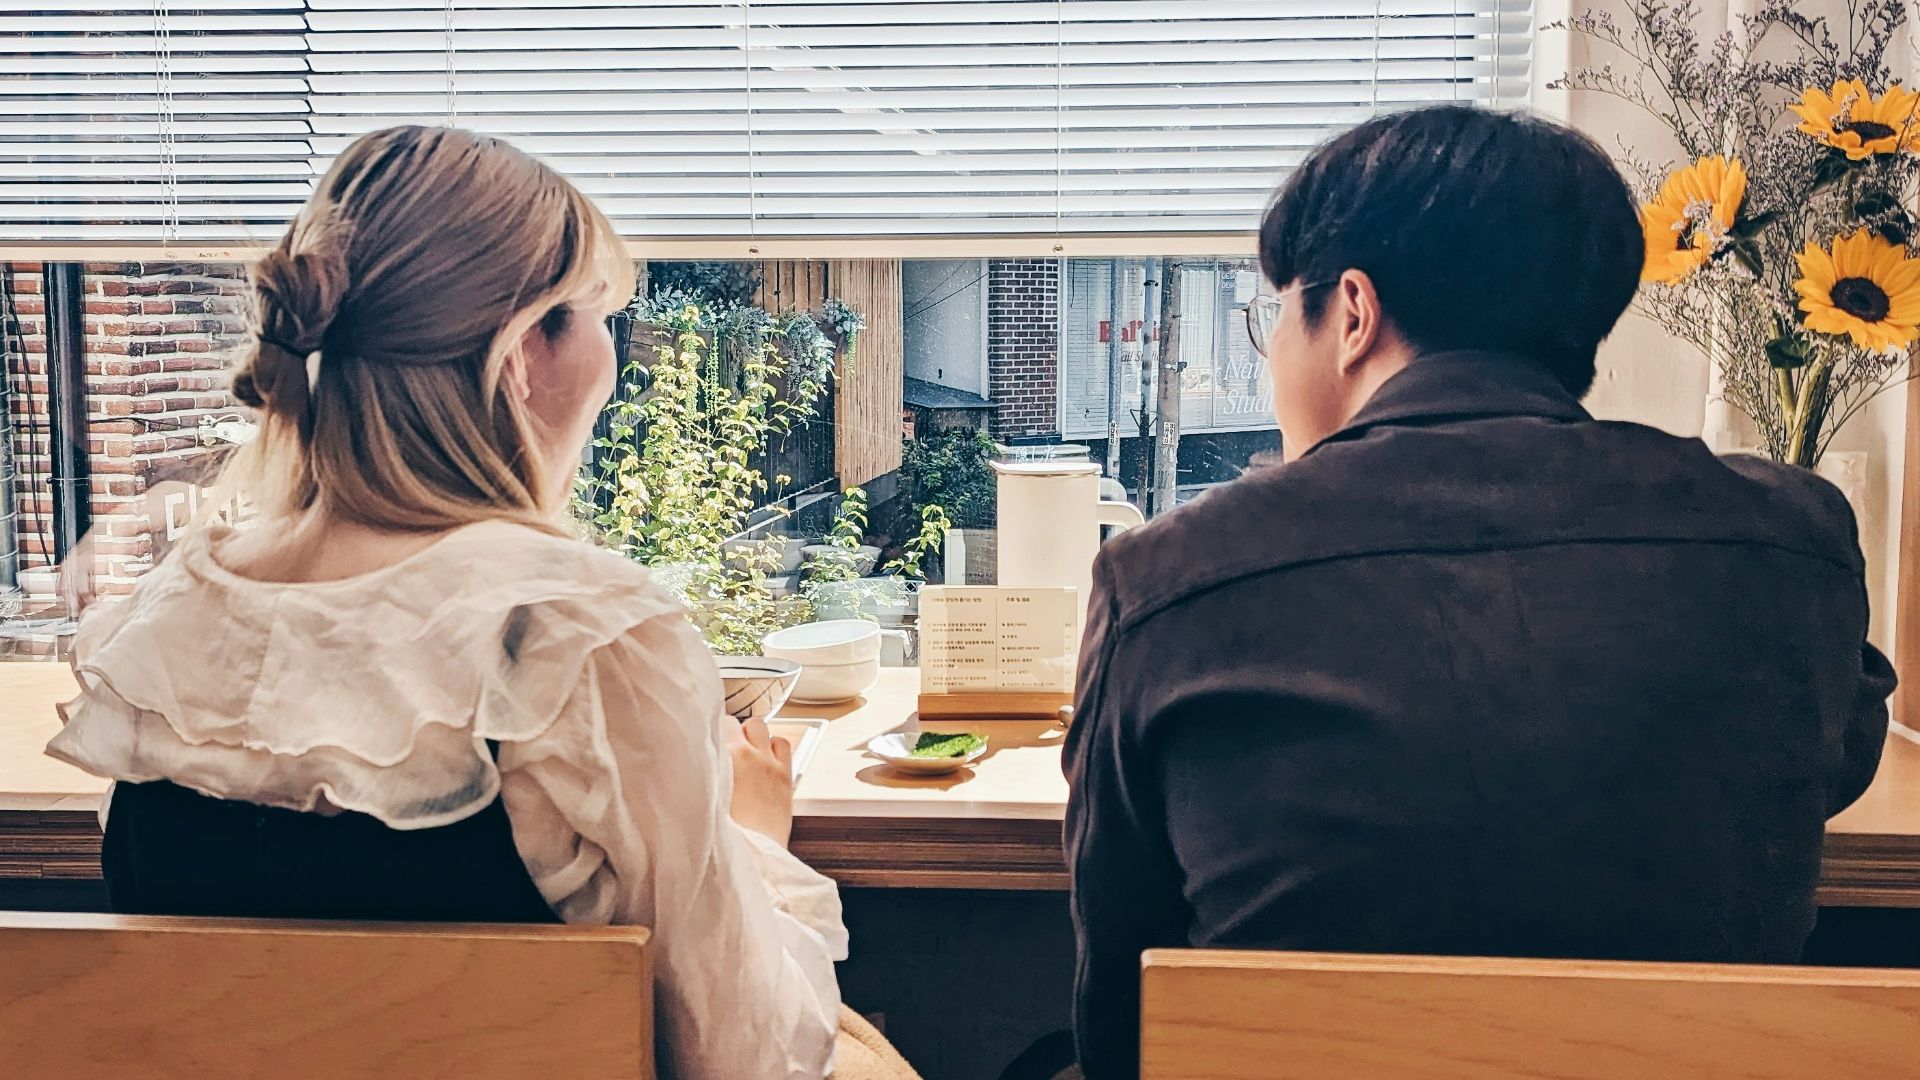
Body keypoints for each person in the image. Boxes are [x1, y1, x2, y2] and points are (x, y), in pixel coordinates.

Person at [44, 125, 917, 1080]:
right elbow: (743, 1055)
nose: (612, 355)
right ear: (522, 355)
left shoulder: (165, 627)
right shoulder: (586, 633)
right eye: (593, 315)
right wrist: (752, 843)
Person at [1063, 105, 1894, 1080]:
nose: (1273, 352)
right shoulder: (1792, 538)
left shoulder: (1166, 577)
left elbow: (1123, 1012)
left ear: (1354, 315)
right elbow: (1834, 756)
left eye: (1275, 312)